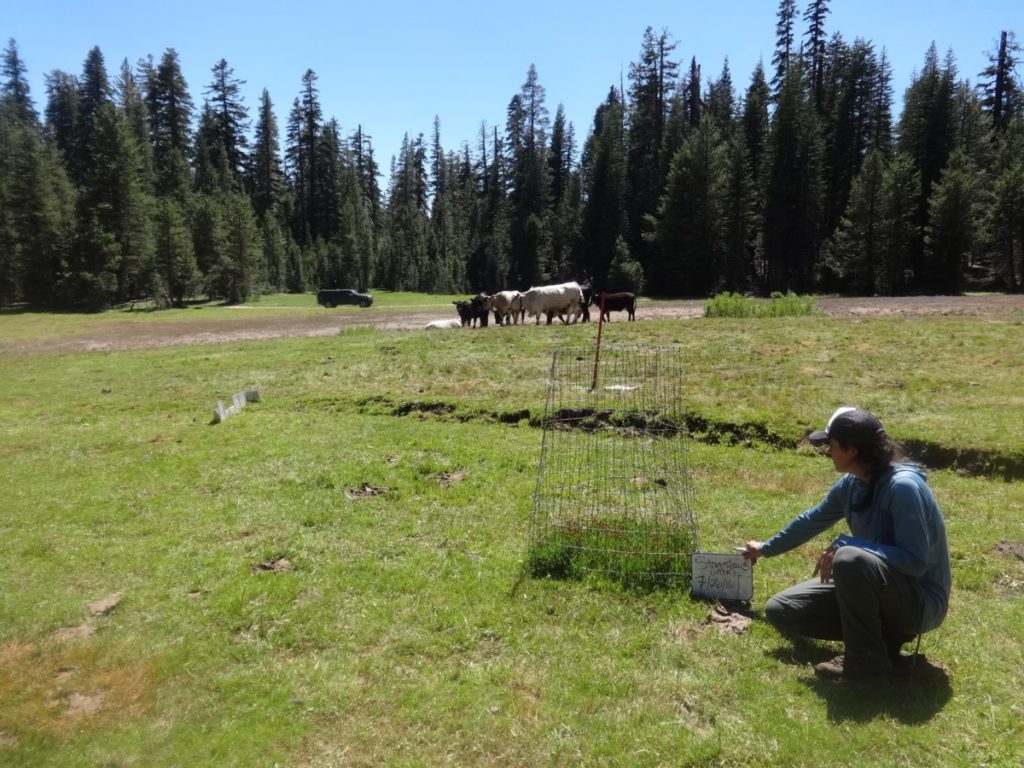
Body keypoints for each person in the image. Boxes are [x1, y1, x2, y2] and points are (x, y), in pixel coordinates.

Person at [743, 407, 952, 679]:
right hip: (877, 585)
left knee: (851, 558)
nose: (828, 451)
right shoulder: (852, 484)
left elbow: (914, 562)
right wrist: (765, 548)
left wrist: (848, 545)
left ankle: (865, 662)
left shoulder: (903, 488)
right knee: (782, 610)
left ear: (852, 449)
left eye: (831, 445)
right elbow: (813, 519)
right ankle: (881, 643)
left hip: (920, 602)